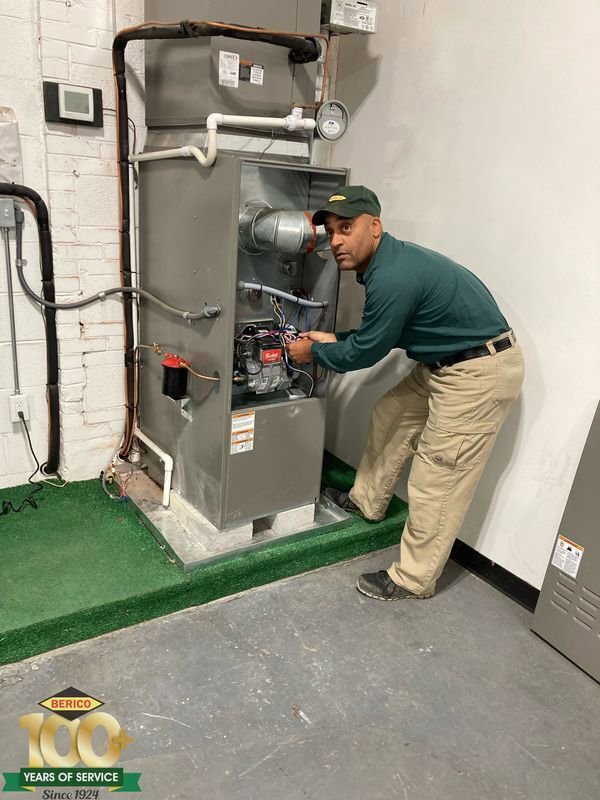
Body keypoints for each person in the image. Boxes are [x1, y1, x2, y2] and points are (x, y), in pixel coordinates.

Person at [286, 185, 524, 601]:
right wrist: (334, 338)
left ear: (374, 227)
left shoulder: (392, 275)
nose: (336, 240)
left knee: (438, 475)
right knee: (391, 414)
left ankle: (414, 578)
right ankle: (367, 500)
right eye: (331, 231)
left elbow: (366, 352)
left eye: (346, 228)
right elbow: (385, 332)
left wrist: (314, 352)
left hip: (477, 373)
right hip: (442, 363)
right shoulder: (388, 263)